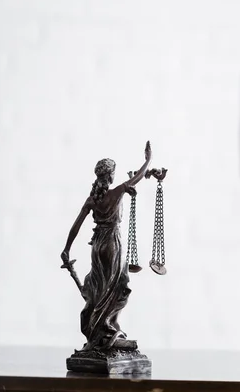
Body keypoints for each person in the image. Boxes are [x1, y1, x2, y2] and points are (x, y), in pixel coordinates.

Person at [60, 141, 152, 352]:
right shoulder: (117, 191)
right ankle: (106, 330)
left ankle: (103, 330)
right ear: (110, 176)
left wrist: (66, 249)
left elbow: (75, 226)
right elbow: (137, 178)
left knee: (101, 286)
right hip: (112, 244)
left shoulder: (92, 199)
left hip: (97, 246)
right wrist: (148, 159)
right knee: (116, 285)